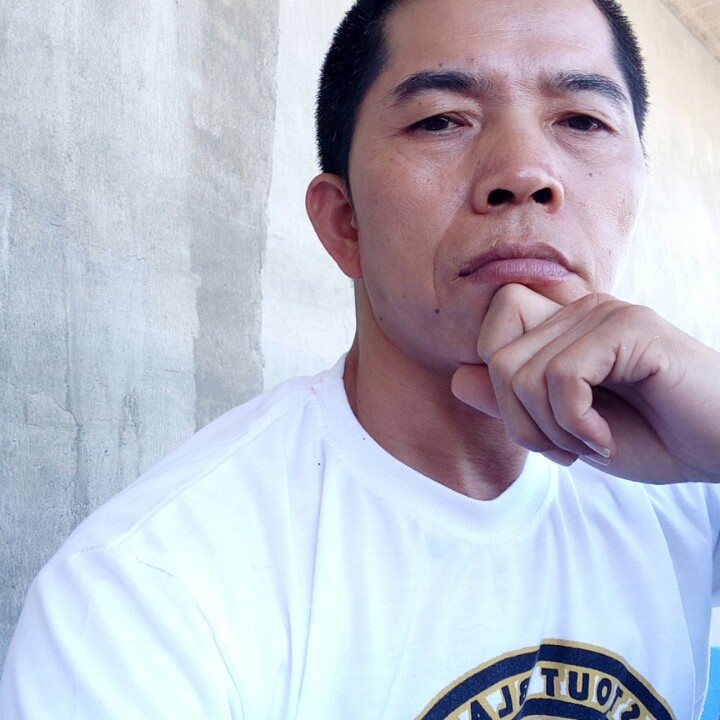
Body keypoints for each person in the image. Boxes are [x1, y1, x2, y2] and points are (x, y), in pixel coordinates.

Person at [2, 0, 720, 716]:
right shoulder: (148, 596)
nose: (526, 172)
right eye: (441, 120)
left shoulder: (687, 469)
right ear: (345, 223)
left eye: (582, 121)